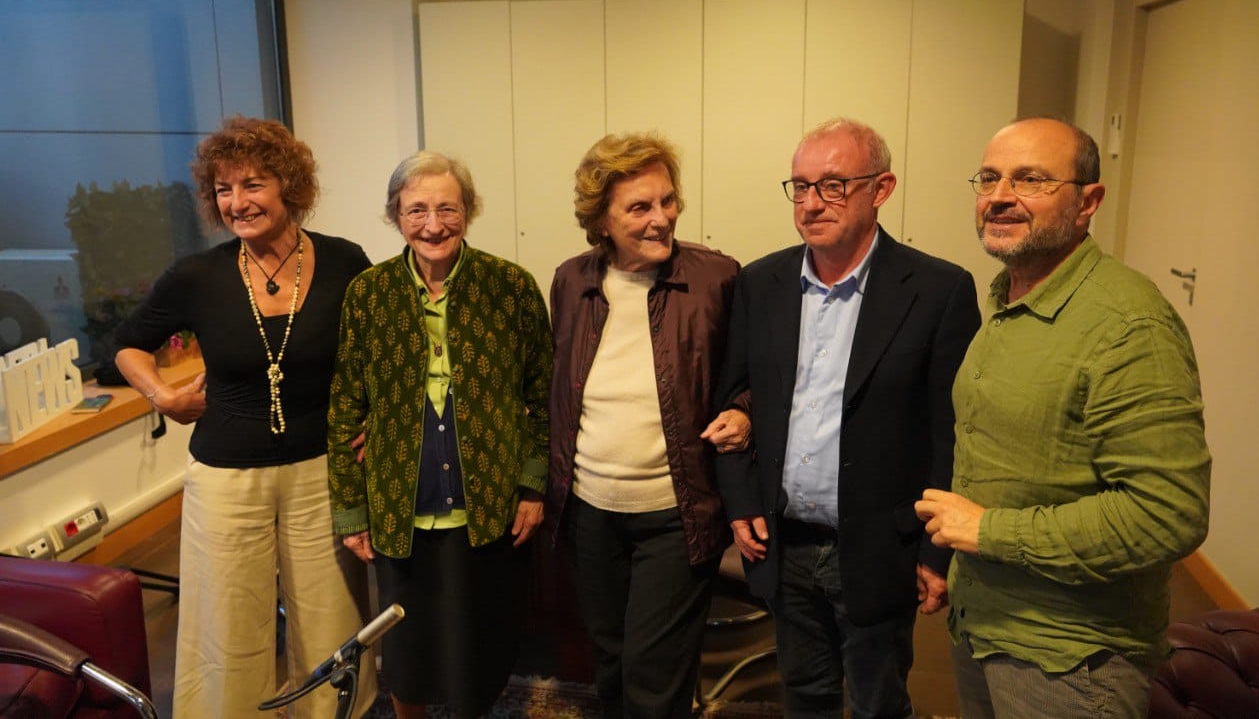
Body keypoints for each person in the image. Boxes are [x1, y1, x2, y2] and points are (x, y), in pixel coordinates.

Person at [915, 117, 1211, 718]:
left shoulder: (1128, 325)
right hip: (983, 626)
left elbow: (1167, 514)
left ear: (1088, 202)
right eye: (989, 178)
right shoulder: (1008, 297)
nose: (1000, 196)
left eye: (1031, 179)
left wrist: (989, 532)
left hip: (1071, 659)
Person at [714, 117, 981, 718]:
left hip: (880, 545)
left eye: (833, 186)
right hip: (784, 540)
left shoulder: (938, 291)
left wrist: (936, 551)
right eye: (800, 187)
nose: (811, 203)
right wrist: (741, 502)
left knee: (876, 702)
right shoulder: (761, 283)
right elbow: (733, 400)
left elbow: (953, 435)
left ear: (881, 189)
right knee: (803, 696)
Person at [114, 116, 375, 718]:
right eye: (223, 190)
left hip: (322, 470)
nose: (237, 203)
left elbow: (381, 351)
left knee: (331, 617)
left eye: (252, 185)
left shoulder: (344, 262)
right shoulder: (197, 275)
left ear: (290, 186)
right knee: (227, 625)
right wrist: (162, 396)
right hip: (225, 477)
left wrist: (378, 418)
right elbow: (127, 344)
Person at [327, 151, 553, 719]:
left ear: (468, 211)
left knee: (481, 643)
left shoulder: (511, 286)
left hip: (490, 502)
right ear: (396, 215)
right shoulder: (368, 293)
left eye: (447, 209)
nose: (433, 225)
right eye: (417, 210)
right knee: (407, 651)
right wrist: (351, 510)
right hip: (399, 503)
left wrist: (533, 485)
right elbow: (345, 406)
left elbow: (545, 394)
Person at [542, 132, 747, 718]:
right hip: (589, 511)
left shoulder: (716, 279)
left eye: (667, 200)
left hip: (674, 514)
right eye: (639, 207)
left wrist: (745, 411)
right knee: (609, 661)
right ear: (601, 220)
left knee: (654, 678)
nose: (662, 219)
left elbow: (756, 373)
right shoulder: (571, 280)